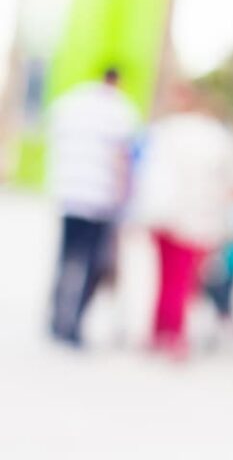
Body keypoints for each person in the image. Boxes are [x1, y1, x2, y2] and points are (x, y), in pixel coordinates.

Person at [133, 84, 233, 359]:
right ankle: (173, 334)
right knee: (180, 281)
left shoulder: (165, 131)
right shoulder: (214, 138)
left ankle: (161, 330)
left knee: (165, 278)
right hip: (192, 219)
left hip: (164, 216)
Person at [47, 67, 138, 346]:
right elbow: (122, 158)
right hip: (100, 198)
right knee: (91, 263)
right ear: (116, 82)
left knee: (66, 257)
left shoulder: (70, 103)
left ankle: (56, 318)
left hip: (69, 193)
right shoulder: (119, 110)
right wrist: (125, 197)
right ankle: (73, 322)